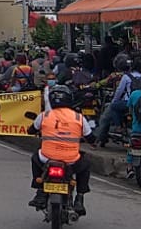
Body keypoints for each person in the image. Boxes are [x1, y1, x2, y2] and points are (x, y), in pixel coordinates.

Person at [27, 84, 93, 214]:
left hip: (46, 158)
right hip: (71, 160)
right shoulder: (78, 117)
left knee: (35, 158)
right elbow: (91, 137)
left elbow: (31, 130)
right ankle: (79, 198)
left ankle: (40, 191)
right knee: (86, 164)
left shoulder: (44, 116)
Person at [93, 55, 139, 147]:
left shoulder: (118, 76)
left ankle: (99, 138)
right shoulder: (138, 75)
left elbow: (118, 91)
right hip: (139, 103)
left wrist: (114, 101)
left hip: (125, 102)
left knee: (106, 116)